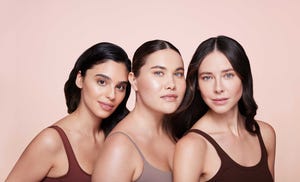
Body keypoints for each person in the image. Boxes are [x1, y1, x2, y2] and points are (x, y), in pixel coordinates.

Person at [6, 42, 131, 182]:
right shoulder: (51, 141)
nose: (112, 95)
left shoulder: (116, 138)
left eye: (120, 87)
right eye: (102, 82)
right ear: (80, 79)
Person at [172, 35, 276, 182]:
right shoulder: (192, 146)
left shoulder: (265, 134)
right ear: (197, 85)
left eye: (228, 75)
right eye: (207, 77)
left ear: (244, 78)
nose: (218, 88)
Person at [92, 39, 186, 182]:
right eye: (159, 73)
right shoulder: (120, 148)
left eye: (178, 74)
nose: (171, 84)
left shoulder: (179, 134)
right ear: (134, 80)